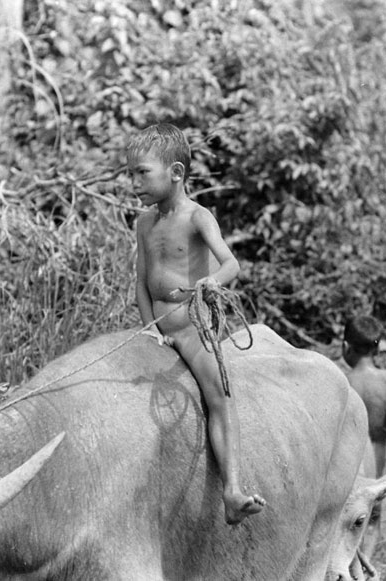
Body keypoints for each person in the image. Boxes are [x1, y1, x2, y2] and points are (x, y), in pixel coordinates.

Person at [128, 123, 265, 525]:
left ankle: (233, 490)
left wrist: (211, 282)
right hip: (157, 329)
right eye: (131, 173)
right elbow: (140, 281)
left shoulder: (197, 217)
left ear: (175, 173)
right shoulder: (143, 223)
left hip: (192, 328)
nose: (134, 183)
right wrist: (149, 328)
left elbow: (231, 264)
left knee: (221, 396)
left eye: (142, 173)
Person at [341, 316, 386, 477]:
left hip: (348, 456)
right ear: (377, 349)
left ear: (345, 347)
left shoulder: (343, 381)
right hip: (377, 451)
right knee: (374, 495)